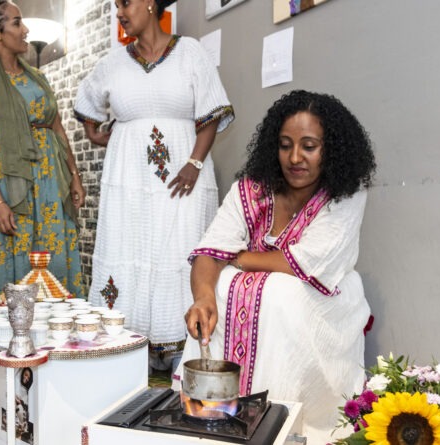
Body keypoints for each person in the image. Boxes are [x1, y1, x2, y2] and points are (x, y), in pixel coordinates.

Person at [174, 90, 376, 445]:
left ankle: (284, 425)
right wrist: (204, 298)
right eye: (285, 145)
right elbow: (209, 251)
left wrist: (237, 257)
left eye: (309, 146)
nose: (295, 157)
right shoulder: (248, 190)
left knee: (279, 291)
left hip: (324, 305)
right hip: (267, 301)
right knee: (220, 286)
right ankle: (214, 414)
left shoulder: (347, 193)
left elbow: (303, 263)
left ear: (331, 149)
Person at [74, 0, 234, 372]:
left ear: (150, 4)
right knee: (129, 248)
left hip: (183, 174)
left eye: (125, 4)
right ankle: (129, 344)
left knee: (182, 248)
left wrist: (195, 162)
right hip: (128, 179)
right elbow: (87, 107)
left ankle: (184, 348)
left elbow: (211, 112)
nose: (120, 13)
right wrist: (99, 135)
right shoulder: (112, 63)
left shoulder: (190, 52)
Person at [0, 0, 85, 300]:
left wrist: (74, 176)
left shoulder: (37, 80)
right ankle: (16, 342)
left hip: (51, 184)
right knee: (14, 265)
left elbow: (57, 130)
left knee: (56, 262)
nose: (25, 29)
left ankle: (59, 342)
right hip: (9, 189)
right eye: (16, 23)